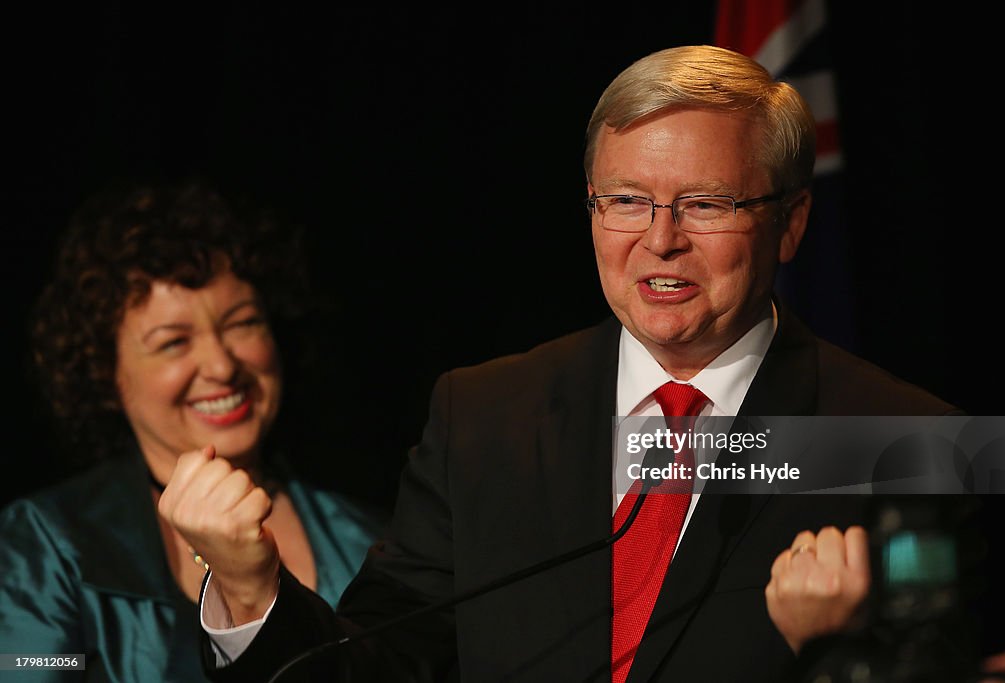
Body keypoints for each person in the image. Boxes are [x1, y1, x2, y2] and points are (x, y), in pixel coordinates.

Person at [160, 45, 962, 681]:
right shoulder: (482, 416)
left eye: (706, 204)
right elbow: (377, 665)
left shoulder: (912, 444)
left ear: (789, 225)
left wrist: (839, 658)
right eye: (625, 200)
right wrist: (251, 587)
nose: (660, 239)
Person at [0, 181, 383, 682]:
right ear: (104, 373)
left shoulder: (371, 539)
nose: (222, 365)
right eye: (172, 342)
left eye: (242, 323)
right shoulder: (48, 543)